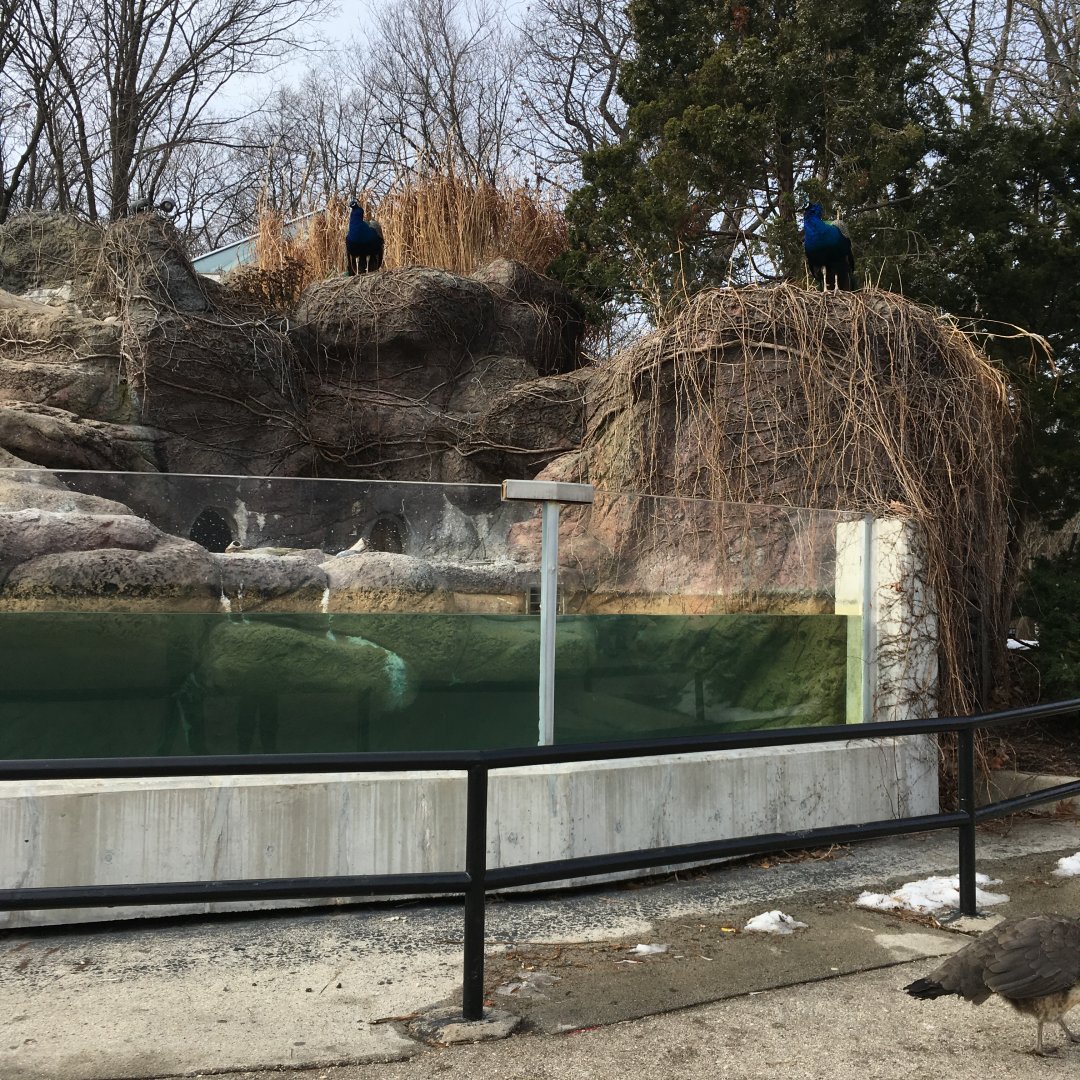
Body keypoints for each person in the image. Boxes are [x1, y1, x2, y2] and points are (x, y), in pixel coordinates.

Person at [345, 198, 384, 275]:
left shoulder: (374, 226)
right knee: (356, 257)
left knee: (369, 256)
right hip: (355, 245)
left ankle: (368, 273)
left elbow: (380, 245)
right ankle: (357, 274)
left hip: (369, 244)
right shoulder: (349, 227)